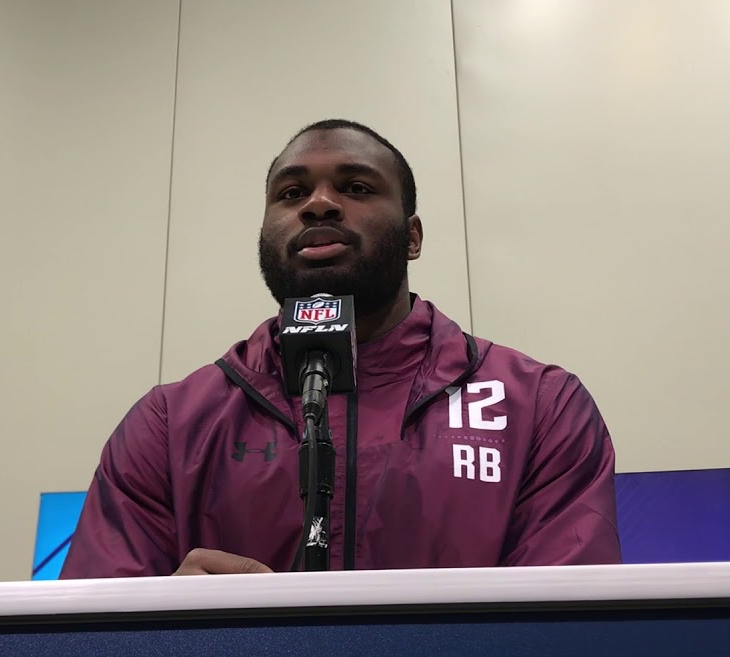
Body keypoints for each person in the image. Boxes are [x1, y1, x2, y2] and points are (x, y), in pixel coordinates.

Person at [60, 119, 619, 578]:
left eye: (355, 188)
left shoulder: (542, 407)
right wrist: (165, 627)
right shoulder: (168, 423)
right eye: (291, 193)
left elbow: (564, 645)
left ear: (414, 236)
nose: (319, 205)